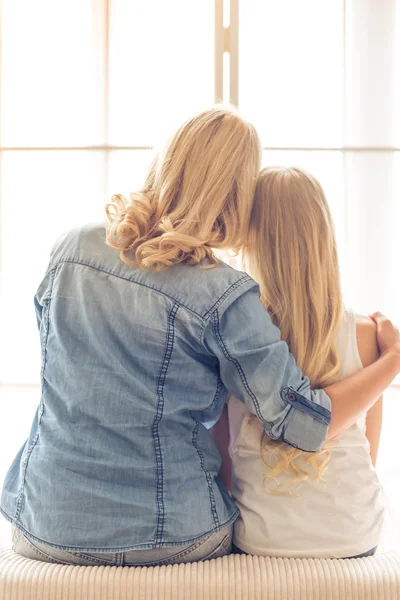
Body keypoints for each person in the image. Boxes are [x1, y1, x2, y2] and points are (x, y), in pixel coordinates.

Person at [1, 108, 399, 567]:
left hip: (41, 522)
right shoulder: (225, 293)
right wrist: (391, 360)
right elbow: (303, 425)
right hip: (171, 535)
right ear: (234, 196)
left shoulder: (70, 248)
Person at [225, 166, 394, 559]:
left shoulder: (233, 335)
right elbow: (369, 452)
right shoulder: (369, 335)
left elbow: (223, 462)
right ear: (324, 239)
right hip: (353, 534)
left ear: (251, 241)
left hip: (262, 538)